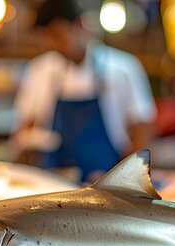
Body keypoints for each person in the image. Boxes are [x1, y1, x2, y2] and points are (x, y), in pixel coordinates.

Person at [13, 0, 156, 181]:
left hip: (107, 183)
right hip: (52, 185)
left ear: (79, 25)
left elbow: (142, 132)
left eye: (58, 35)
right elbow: (25, 129)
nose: (53, 45)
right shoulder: (38, 71)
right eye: (47, 38)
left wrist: (132, 180)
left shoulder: (123, 69)